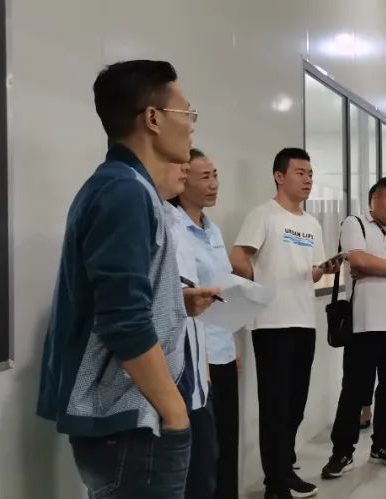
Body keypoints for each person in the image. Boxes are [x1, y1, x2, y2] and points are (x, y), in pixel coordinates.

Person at [37, 59, 219, 499]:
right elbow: (123, 321)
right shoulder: (124, 191)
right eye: (186, 113)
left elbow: (122, 297)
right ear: (152, 119)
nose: (192, 125)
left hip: (134, 418)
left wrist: (175, 302)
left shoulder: (127, 187)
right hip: (133, 422)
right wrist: (174, 411)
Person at [230, 147, 340, 499]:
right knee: (275, 406)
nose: (308, 179)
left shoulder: (311, 223)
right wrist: (257, 287)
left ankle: (284, 469)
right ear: (279, 176)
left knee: (294, 406)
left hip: (304, 321)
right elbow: (238, 256)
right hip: (271, 324)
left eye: (310, 174)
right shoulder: (264, 214)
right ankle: (275, 484)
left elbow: (312, 272)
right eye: (300, 172)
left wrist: (324, 269)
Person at [322, 176, 386, 479]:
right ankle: (341, 451)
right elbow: (358, 260)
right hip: (363, 323)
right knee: (354, 390)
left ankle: (382, 445)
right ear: (374, 200)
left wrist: (376, 266)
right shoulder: (354, 223)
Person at [171, 149, 239, 499]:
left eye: (215, 176)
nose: (213, 184)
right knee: (203, 455)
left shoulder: (213, 230)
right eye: (204, 177)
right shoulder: (173, 226)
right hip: (195, 359)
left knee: (226, 443)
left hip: (221, 350)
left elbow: (221, 289)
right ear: (182, 182)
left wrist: (232, 345)